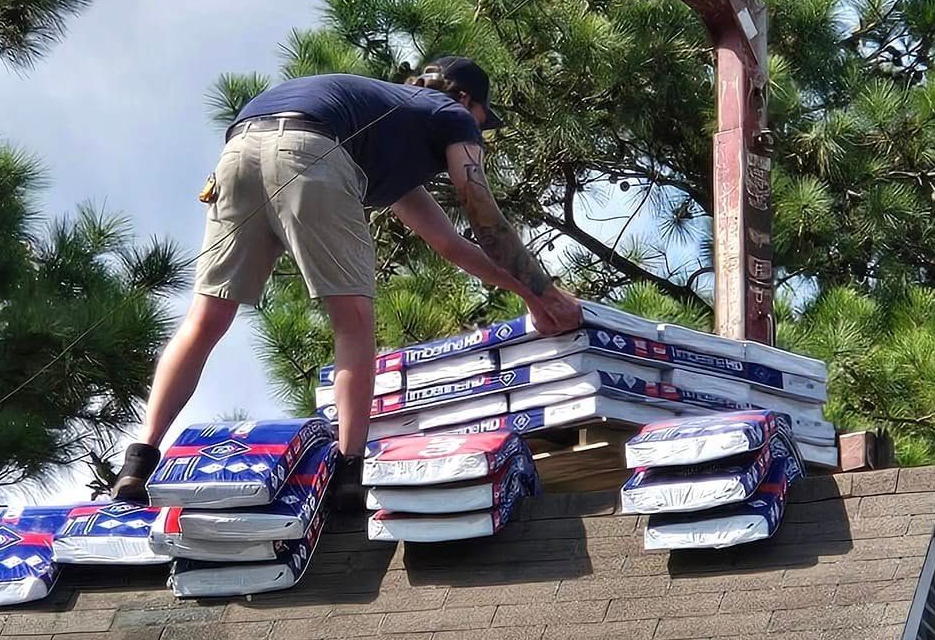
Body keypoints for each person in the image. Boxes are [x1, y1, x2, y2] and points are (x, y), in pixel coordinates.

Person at [109, 58, 583, 502]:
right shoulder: (450, 113)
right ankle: (348, 471)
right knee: (352, 317)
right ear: (464, 100)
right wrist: (547, 294)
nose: (480, 131)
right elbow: (483, 216)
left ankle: (140, 459)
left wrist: (530, 295)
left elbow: (451, 245)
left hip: (237, 151)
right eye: (482, 119)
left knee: (206, 317)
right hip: (311, 149)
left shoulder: (386, 128)